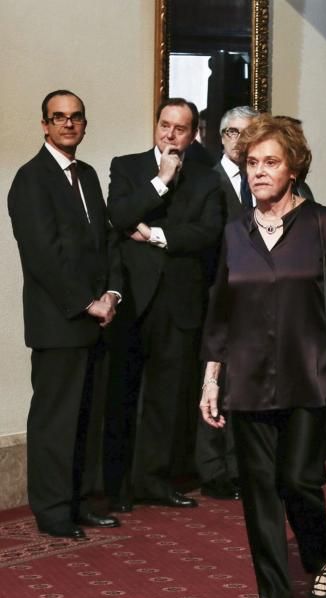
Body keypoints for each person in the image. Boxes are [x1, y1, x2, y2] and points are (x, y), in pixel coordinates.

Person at [200, 114, 326, 598]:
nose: (258, 172)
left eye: (270, 163)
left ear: (294, 167)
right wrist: (211, 377)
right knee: (258, 487)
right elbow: (220, 308)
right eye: (251, 163)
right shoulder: (234, 231)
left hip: (306, 375)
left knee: (298, 481)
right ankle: (275, 595)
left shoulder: (324, 225)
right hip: (245, 376)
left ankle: (322, 559)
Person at [7, 90, 123, 539]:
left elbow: (108, 242)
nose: (68, 125)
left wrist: (112, 293)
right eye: (59, 118)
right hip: (60, 324)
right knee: (56, 422)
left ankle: (82, 502)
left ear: (85, 124)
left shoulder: (89, 175)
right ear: (44, 125)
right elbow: (42, 256)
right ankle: (53, 511)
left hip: (98, 320)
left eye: (75, 117)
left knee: (89, 420)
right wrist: (86, 302)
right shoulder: (30, 179)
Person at [104, 98, 224, 511]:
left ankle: (154, 482)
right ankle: (116, 489)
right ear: (156, 126)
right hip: (133, 299)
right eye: (164, 125)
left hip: (179, 302)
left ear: (193, 135)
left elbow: (207, 233)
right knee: (122, 393)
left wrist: (155, 235)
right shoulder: (126, 166)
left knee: (166, 398)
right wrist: (160, 181)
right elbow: (118, 215)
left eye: (180, 128)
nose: (170, 134)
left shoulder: (208, 180)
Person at [193, 105, 261, 502]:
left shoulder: (266, 177)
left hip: (254, 300)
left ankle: (242, 465)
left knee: (245, 383)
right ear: (221, 137)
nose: (240, 140)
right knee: (212, 382)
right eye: (233, 133)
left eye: (249, 133)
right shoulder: (206, 180)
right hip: (213, 295)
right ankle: (213, 470)